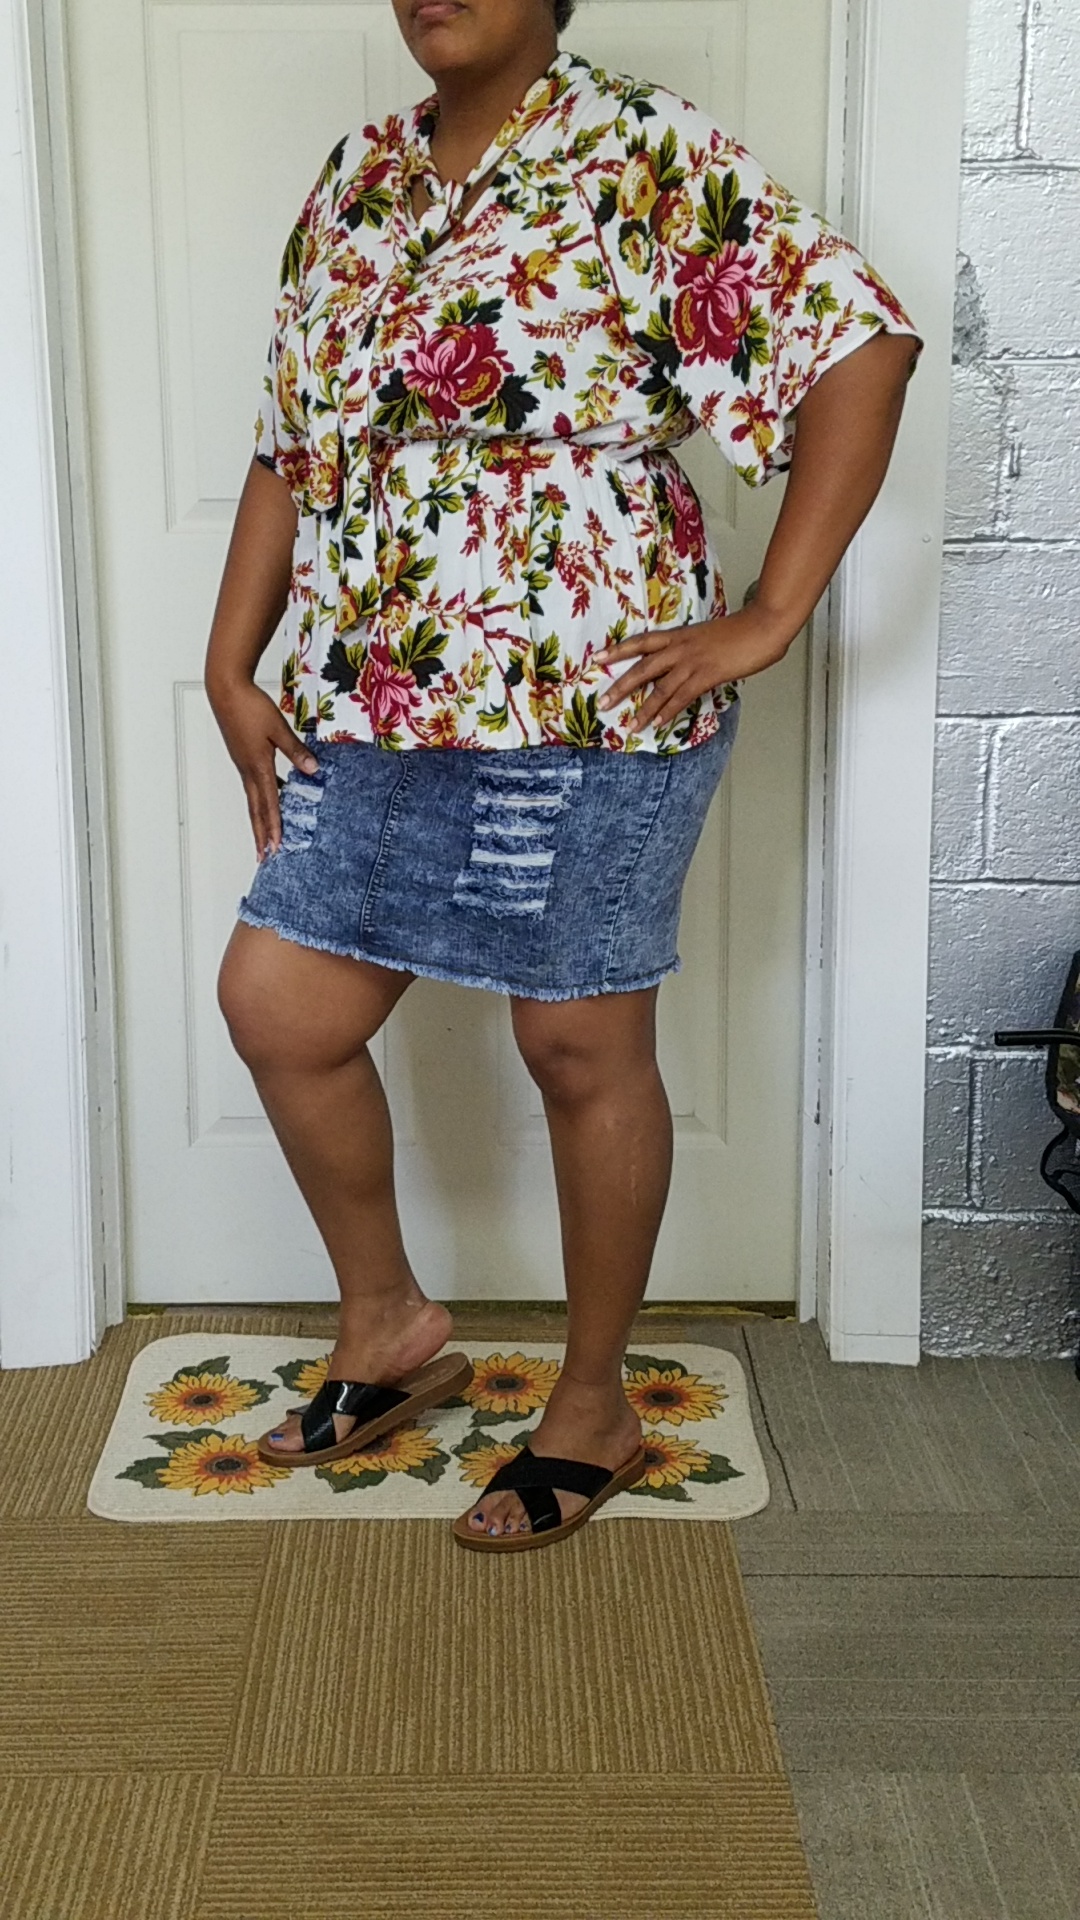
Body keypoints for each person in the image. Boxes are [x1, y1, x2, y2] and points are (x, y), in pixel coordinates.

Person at [207, 0, 921, 1551]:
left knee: (579, 1045)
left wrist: (772, 612)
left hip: (587, 705)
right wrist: (228, 661)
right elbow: (289, 445)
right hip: (375, 704)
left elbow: (857, 345)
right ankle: (389, 1321)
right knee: (281, 1007)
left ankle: (593, 1404)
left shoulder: (637, 148)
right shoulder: (359, 175)